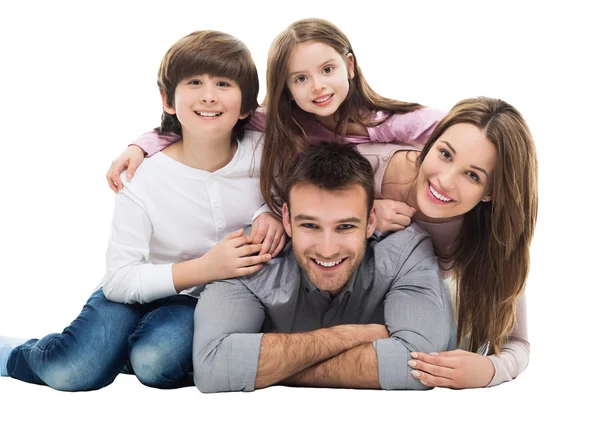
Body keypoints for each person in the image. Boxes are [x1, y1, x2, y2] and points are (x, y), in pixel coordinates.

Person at [0, 30, 283, 390]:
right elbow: (120, 279)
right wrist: (205, 267)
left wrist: (267, 211)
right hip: (132, 290)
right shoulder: (141, 176)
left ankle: (123, 350)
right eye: (194, 82)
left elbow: (293, 194)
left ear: (246, 106)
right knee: (71, 371)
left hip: (195, 303)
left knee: (155, 363)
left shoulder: (265, 153)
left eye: (224, 83)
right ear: (168, 99)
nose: (209, 95)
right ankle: (14, 355)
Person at [105, 18, 444, 233]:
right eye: (301, 78)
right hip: (353, 220)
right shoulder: (280, 123)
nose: (318, 87)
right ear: (285, 87)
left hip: (429, 206)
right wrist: (142, 145)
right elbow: (210, 118)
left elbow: (462, 136)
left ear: (349, 66)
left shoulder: (395, 121)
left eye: (327, 70)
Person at [192, 142, 453, 392]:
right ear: (287, 219)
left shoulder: (406, 251)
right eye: (310, 225)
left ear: (371, 220)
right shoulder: (249, 256)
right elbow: (213, 367)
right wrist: (348, 336)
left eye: (346, 226)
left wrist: (266, 369)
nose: (327, 250)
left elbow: (420, 366)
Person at [357, 96, 537, 388]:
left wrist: (491, 370)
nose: (445, 180)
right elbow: (284, 176)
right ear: (430, 142)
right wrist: (355, 211)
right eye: (445, 154)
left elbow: (517, 343)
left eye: (472, 175)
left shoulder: (494, 238)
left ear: (490, 192)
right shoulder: (374, 168)